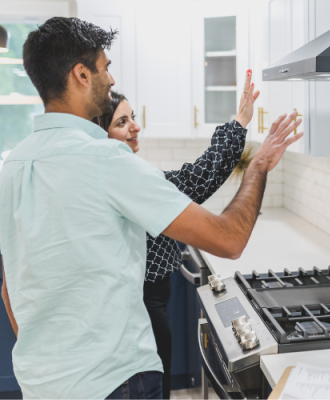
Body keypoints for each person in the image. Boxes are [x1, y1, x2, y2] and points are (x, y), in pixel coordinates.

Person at [0, 17, 302, 399]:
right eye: (105, 67)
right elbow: (230, 238)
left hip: (42, 386)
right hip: (116, 381)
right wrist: (257, 166)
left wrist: (52, 365)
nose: (110, 79)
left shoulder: (12, 166)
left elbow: (10, 290)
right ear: (81, 75)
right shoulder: (107, 161)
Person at [92, 89, 252, 399]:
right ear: (101, 134)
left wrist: (240, 121)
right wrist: (240, 122)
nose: (135, 126)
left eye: (133, 118)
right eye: (122, 122)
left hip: (141, 308)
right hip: (143, 310)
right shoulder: (128, 180)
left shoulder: (111, 177)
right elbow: (200, 178)